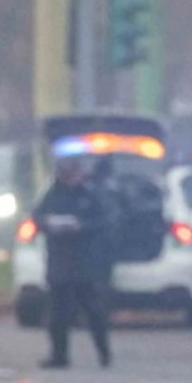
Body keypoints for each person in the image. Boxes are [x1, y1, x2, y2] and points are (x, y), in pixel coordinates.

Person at [32, 145, 116, 369]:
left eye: (73, 173)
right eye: (66, 173)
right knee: (58, 314)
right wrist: (48, 223)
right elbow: (38, 217)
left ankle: (104, 354)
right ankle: (59, 356)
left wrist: (82, 227)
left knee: (94, 312)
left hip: (84, 263)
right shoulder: (52, 194)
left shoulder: (90, 195)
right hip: (60, 262)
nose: (70, 177)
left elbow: (104, 222)